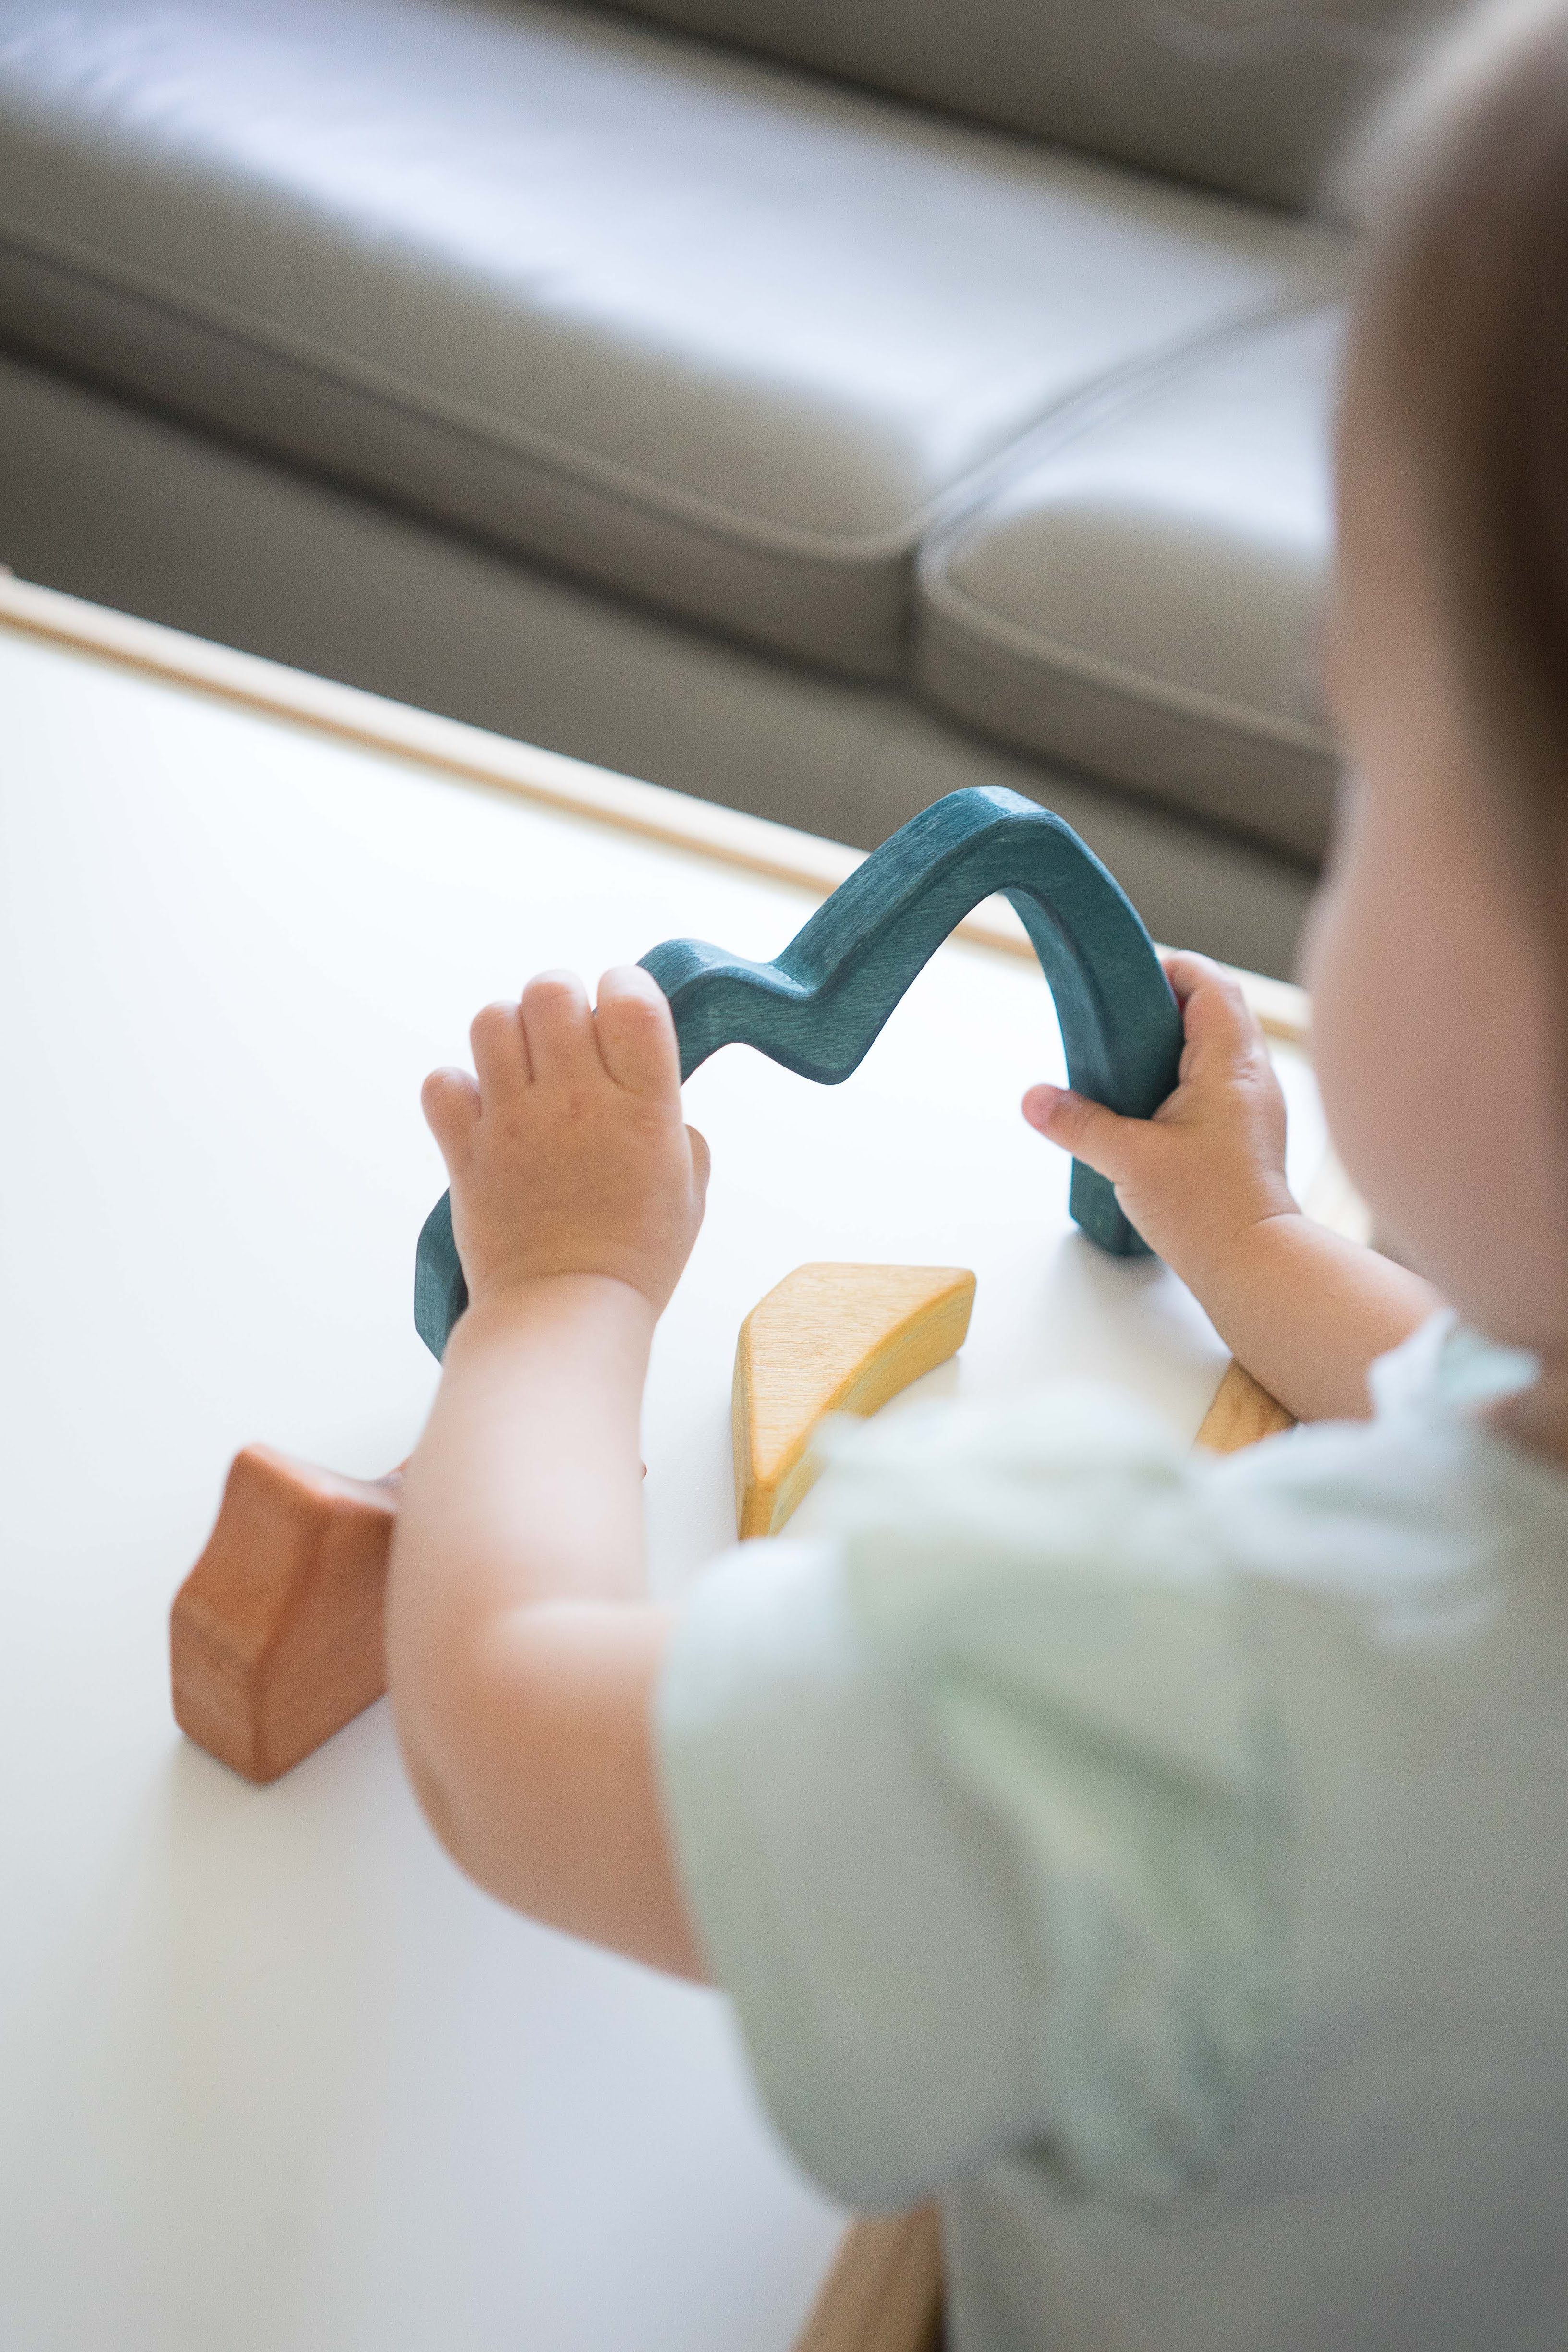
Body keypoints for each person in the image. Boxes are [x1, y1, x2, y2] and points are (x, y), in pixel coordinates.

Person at [384, 4, 1568, 2340]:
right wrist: (1249, 1242)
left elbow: (512, 1727)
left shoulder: (1192, 1725)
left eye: (1371, 763)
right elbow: (1460, 1393)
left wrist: (562, 1291)